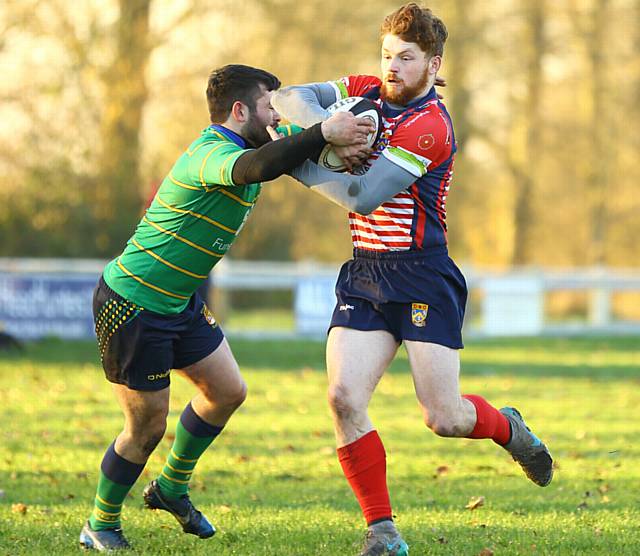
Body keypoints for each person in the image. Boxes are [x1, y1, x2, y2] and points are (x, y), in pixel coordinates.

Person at [272, 4, 553, 555]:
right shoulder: (363, 92)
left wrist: (296, 157)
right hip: (364, 272)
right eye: (386, 56)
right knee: (342, 397)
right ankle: (382, 532)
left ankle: (508, 427)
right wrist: (327, 131)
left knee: (444, 419)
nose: (392, 68)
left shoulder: (430, 126)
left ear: (434, 63)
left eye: (406, 58)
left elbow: (361, 194)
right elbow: (286, 96)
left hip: (422, 274)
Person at [79, 64, 374, 552]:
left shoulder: (256, 144)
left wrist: (370, 110)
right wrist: (323, 132)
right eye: (268, 106)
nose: (276, 115)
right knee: (147, 426)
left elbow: (297, 151)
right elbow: (258, 168)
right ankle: (100, 523)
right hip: (133, 302)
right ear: (239, 111)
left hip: (178, 303)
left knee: (227, 392)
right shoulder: (211, 153)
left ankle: (171, 489)